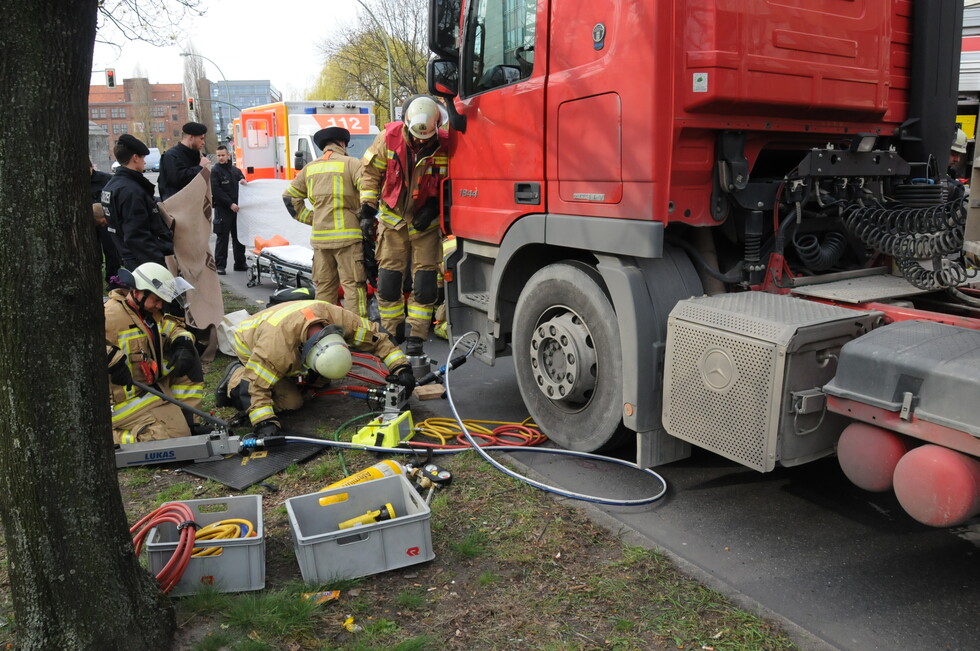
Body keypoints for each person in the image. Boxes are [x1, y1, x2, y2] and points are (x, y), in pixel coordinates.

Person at [215, 300, 414, 439]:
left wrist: (401, 368)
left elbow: (377, 338)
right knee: (292, 402)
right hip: (249, 342)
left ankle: (295, 377)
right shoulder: (275, 349)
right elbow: (255, 388)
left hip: (285, 328)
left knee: (320, 381)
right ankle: (235, 376)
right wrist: (264, 422)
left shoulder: (339, 318)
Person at [358, 96, 449, 356]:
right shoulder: (388, 138)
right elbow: (370, 175)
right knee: (388, 280)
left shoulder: (445, 143)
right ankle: (392, 330)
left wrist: (435, 207)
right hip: (392, 221)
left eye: (427, 137)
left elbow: (453, 182)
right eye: (417, 136)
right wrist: (367, 210)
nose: (422, 141)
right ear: (406, 124)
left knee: (425, 281)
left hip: (426, 225)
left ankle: (417, 336)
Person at [105, 262, 205, 443]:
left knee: (190, 355)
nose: (160, 306)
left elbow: (171, 328)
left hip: (151, 390)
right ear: (137, 293)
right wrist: (111, 359)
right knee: (172, 440)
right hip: (124, 402)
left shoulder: (147, 314)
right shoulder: (110, 315)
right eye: (157, 300)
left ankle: (189, 421)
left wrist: (182, 341)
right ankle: (106, 438)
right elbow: (79, 343)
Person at [282, 127, 367, 315]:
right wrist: (360, 214)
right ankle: (358, 332)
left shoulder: (309, 169)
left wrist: (313, 218)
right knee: (353, 287)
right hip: (348, 238)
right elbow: (370, 192)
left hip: (320, 241)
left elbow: (289, 198)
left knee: (325, 289)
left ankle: (324, 332)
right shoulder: (352, 164)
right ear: (343, 143)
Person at [101, 134, 174, 269]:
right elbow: (137, 234)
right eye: (142, 158)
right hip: (143, 261)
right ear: (135, 158)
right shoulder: (131, 191)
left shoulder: (111, 186)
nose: (144, 162)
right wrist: (156, 262)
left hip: (128, 255)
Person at [211, 144, 248, 274]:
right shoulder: (215, 171)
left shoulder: (235, 171)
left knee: (239, 237)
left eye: (223, 155)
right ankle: (220, 266)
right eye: (218, 155)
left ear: (228, 155)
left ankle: (240, 263)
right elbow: (216, 191)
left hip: (237, 211)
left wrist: (243, 180)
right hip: (223, 210)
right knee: (223, 238)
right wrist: (230, 204)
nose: (221, 158)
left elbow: (243, 182)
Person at [158, 121, 212, 200]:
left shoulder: (198, 155)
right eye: (201, 139)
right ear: (191, 138)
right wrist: (200, 167)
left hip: (194, 204)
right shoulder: (171, 156)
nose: (203, 143)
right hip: (178, 207)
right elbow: (178, 180)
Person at [90, 159, 121, 286]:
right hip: (91, 223)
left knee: (111, 251)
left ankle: (113, 279)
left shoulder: (106, 179)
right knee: (93, 253)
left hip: (106, 220)